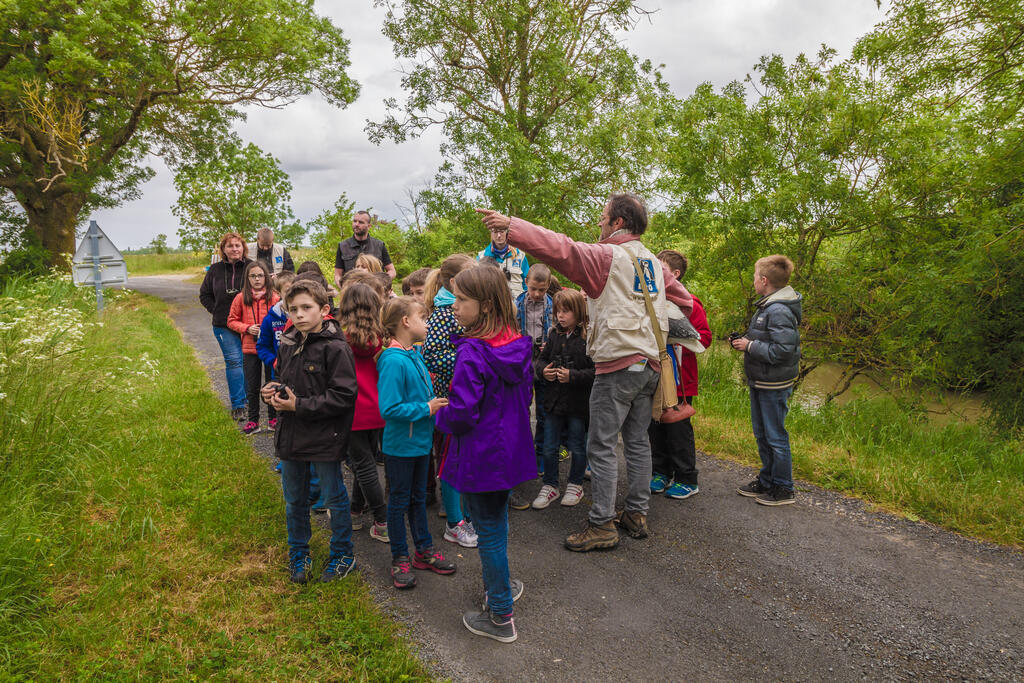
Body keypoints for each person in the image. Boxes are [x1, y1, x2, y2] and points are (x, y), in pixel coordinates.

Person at [476, 193, 693, 553]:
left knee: (602, 444)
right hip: (651, 364)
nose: (599, 223)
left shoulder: (607, 256)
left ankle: (602, 524)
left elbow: (562, 249)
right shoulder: (653, 261)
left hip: (618, 365)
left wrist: (510, 226)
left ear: (618, 223)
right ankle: (636, 513)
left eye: (604, 217)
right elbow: (684, 300)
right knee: (637, 441)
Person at [435, 265, 534, 643]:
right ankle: (502, 584)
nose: (454, 306)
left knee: (488, 532)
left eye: (461, 299)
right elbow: (524, 397)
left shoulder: (473, 354)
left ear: (486, 306)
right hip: (508, 452)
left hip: (481, 457)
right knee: (498, 522)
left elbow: (461, 413)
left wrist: (437, 413)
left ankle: (500, 615)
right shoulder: (516, 344)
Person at [260, 279, 358, 584]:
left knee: (333, 497)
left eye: (307, 308)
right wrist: (273, 391)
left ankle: (343, 554)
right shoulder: (288, 340)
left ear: (324, 310)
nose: (299, 314)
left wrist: (299, 405)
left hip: (324, 438)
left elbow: (344, 396)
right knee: (294, 500)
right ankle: (298, 554)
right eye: (293, 309)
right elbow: (286, 379)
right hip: (290, 436)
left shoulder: (336, 347)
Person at [378, 296, 458, 589]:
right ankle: (400, 557)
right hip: (401, 446)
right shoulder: (393, 360)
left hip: (420, 443)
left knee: (418, 499)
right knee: (399, 501)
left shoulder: (414, 354)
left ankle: (423, 551)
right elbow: (389, 408)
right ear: (406, 322)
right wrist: (427, 408)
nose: (428, 324)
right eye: (423, 318)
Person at [731, 254, 802, 506]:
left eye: (754, 278)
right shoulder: (767, 305)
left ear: (763, 280)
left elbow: (782, 351)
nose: (752, 282)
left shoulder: (779, 310)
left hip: (774, 384)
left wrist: (749, 346)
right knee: (762, 434)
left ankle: (784, 488)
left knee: (775, 436)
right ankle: (768, 479)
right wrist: (747, 344)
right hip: (761, 381)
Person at [422, 254, 481, 538]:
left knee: (468, 457)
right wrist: (467, 365)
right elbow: (431, 356)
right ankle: (454, 522)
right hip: (450, 398)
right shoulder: (443, 313)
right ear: (456, 282)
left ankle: (469, 515)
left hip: (470, 396)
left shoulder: (470, 308)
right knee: (450, 458)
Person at [649, 250, 712, 500]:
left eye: (660, 268)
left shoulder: (691, 303)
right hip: (655, 376)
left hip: (680, 381)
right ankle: (661, 473)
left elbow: (705, 338)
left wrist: (675, 339)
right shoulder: (652, 299)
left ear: (674, 275)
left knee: (678, 430)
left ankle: (687, 478)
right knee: (655, 426)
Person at [532, 289, 594, 508]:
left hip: (578, 404)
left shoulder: (588, 338)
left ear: (578, 312)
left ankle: (575, 484)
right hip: (553, 401)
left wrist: (573, 376)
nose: (561, 315)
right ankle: (550, 485)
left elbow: (596, 372)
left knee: (577, 445)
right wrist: (543, 371)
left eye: (566, 311)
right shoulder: (554, 334)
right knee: (549, 445)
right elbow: (541, 360)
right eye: (558, 311)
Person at [337, 283, 389, 542]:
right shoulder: (381, 337)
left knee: (365, 466)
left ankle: (382, 520)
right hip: (378, 408)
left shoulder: (342, 338)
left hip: (353, 410)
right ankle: (355, 512)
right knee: (364, 463)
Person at [199, 232, 253, 421]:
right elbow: (204, 295)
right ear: (223, 249)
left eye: (237, 245)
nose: (234, 249)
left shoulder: (251, 267)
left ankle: (248, 399)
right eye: (230, 246)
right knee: (234, 361)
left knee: (248, 363)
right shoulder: (214, 270)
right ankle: (238, 404)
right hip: (223, 325)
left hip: (248, 325)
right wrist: (217, 311)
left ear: (243, 248)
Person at [227, 261, 280, 435]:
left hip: (270, 348)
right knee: (253, 386)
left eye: (260, 275)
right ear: (247, 278)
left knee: (272, 382)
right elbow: (231, 320)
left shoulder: (275, 297)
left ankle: (274, 419)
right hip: (250, 348)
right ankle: (253, 421)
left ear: (266, 277)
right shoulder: (241, 297)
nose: (257, 279)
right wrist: (246, 328)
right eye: (253, 276)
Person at [516, 263, 554, 475]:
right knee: (522, 407)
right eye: (533, 289)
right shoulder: (517, 303)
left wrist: (550, 342)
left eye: (542, 290)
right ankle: (524, 453)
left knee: (543, 410)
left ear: (548, 286)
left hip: (543, 360)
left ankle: (541, 453)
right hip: (522, 359)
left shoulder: (552, 306)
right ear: (526, 283)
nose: (537, 294)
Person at [256, 271, 296, 434]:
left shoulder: (302, 315)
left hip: (302, 374)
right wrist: (273, 361)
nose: (293, 293)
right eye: (288, 290)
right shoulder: (270, 319)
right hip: (280, 374)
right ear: (278, 293)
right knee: (283, 414)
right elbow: (262, 346)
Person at [334, 210, 397, 289]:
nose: (356, 224)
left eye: (361, 222)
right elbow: (337, 275)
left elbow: (392, 271)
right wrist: (344, 289)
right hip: (352, 293)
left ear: (369, 226)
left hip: (376, 292)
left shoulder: (379, 245)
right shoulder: (343, 246)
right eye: (354, 221)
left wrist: (379, 283)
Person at [478, 220, 530, 299]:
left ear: (507, 233)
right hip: (492, 305)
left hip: (518, 306)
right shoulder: (481, 257)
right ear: (491, 234)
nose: (499, 235)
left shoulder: (520, 256)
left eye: (502, 232)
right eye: (495, 232)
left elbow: (528, 283)